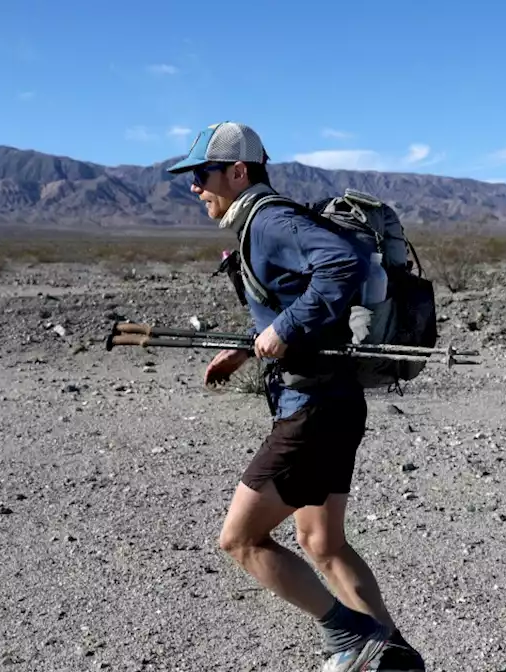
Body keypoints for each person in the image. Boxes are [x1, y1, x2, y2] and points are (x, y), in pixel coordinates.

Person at [166, 121, 426, 672]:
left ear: (238, 172)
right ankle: (394, 658)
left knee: (240, 539)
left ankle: (350, 639)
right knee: (323, 543)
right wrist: (247, 348)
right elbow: (289, 298)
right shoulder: (258, 223)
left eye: (201, 175)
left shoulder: (268, 220)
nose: (194, 187)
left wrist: (284, 330)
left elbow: (343, 264)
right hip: (332, 403)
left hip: (310, 410)